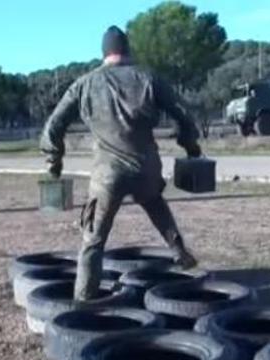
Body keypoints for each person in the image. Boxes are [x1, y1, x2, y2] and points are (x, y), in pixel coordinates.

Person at [40, 26, 202, 301]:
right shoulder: (149, 78)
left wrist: (53, 161)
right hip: (146, 168)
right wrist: (190, 146)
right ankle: (179, 252)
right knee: (154, 201)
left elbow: (54, 125)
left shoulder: (84, 84)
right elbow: (183, 114)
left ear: (104, 53)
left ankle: (84, 300)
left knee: (93, 240)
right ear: (127, 49)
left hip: (107, 174)